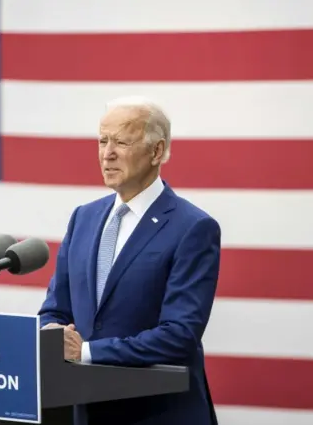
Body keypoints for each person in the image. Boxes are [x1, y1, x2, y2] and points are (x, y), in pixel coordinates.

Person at [38, 96, 221, 425]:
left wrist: (87, 352)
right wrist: (51, 333)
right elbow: (56, 308)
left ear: (155, 151)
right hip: (85, 410)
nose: (107, 153)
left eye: (121, 141)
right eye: (102, 140)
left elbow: (179, 334)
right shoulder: (83, 218)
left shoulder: (193, 228)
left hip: (158, 414)